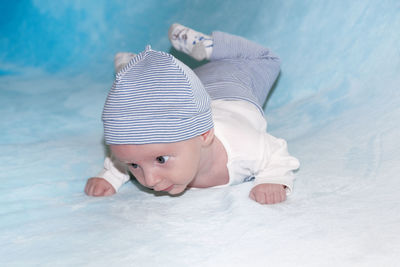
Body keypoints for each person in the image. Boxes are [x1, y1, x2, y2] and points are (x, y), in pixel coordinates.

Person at [84, 23, 300, 204]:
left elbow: (276, 152)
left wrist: (273, 179)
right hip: (195, 88)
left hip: (232, 84)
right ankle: (134, 70)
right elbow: (128, 153)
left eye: (161, 159)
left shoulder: (243, 147)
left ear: (205, 135)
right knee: (158, 96)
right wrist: (109, 176)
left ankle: (208, 46)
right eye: (134, 166)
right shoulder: (143, 148)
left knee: (266, 59)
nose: (149, 181)